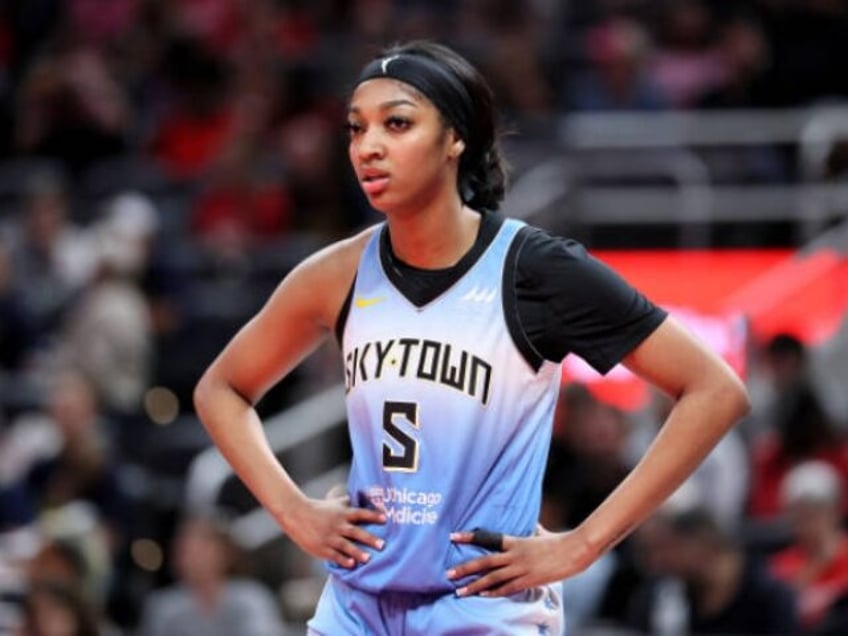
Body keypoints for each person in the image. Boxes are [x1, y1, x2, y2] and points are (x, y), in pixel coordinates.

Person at [193, 40, 750, 635]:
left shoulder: (535, 268)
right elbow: (221, 388)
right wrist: (296, 514)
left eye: (398, 123)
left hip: (484, 605)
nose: (368, 147)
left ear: (455, 138)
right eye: (357, 129)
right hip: (356, 606)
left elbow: (715, 391)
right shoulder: (338, 272)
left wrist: (584, 544)